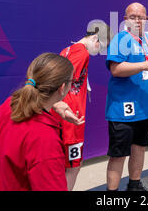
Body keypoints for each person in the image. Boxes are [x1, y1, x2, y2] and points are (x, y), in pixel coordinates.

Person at [0, 53, 85, 191]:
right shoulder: (45, 139)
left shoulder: (8, 105)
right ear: (62, 88)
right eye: (71, 81)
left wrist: (54, 105)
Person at [105, 2, 148, 191]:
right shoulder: (120, 39)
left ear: (146, 19)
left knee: (139, 147)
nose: (137, 21)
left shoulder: (147, 39)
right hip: (124, 109)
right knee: (118, 154)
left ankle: (134, 185)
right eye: (133, 17)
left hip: (145, 107)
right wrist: (144, 66)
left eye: (141, 17)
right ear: (125, 20)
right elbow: (116, 69)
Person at [51, 22, 113, 191]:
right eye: (102, 45)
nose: (100, 51)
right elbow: (63, 82)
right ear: (94, 38)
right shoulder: (81, 53)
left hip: (62, 115)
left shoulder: (67, 50)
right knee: (73, 166)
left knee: (62, 165)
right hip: (71, 118)